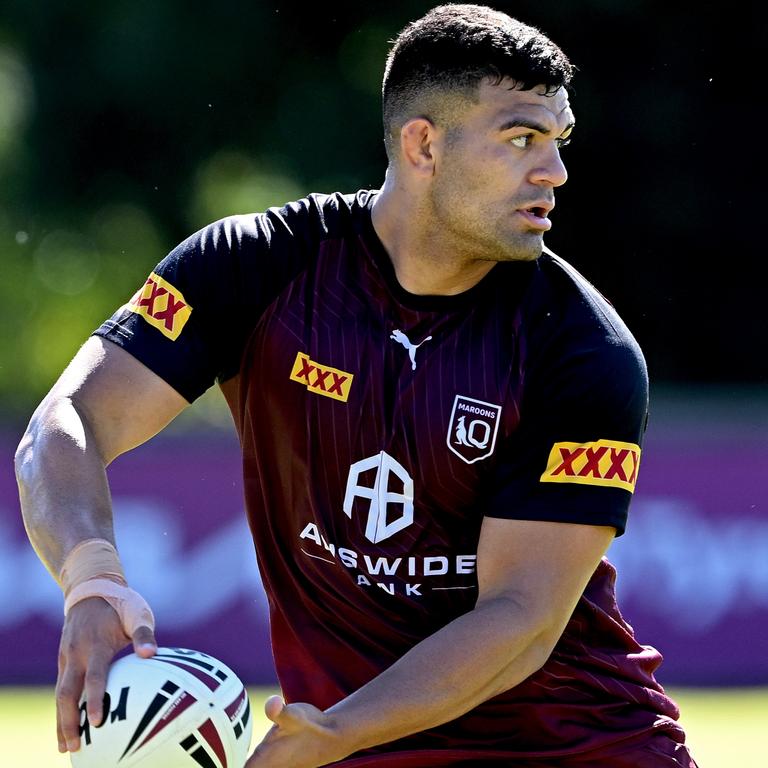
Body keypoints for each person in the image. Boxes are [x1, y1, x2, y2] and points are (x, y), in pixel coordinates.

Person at [15, 5, 698, 767]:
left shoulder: (580, 348)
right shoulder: (254, 268)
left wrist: (337, 733)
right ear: (423, 145)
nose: (555, 172)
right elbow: (65, 421)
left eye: (558, 142)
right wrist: (91, 581)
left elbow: (523, 621)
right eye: (521, 139)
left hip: (577, 750)